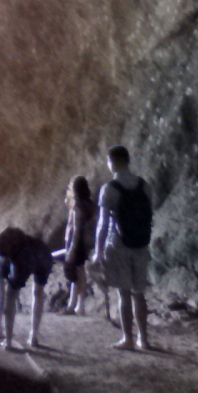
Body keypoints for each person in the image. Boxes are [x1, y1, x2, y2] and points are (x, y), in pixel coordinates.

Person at [91, 145, 153, 350]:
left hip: (119, 245)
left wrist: (98, 252)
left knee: (124, 294)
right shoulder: (144, 185)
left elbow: (103, 224)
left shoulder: (109, 189)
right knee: (139, 293)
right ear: (128, 161)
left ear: (112, 162)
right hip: (141, 245)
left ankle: (128, 339)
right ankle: (143, 339)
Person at [0, 227, 53, 351]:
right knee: (38, 292)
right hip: (44, 254)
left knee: (12, 295)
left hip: (39, 257)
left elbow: (6, 297)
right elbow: (0, 293)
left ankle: (11, 341)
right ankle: (33, 336)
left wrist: (2, 333)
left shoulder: (20, 258)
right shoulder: (11, 250)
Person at [61, 176, 95, 315]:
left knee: (75, 275)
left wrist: (72, 250)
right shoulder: (89, 204)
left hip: (76, 242)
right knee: (80, 273)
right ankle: (77, 305)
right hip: (84, 242)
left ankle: (75, 305)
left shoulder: (78, 207)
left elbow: (76, 229)